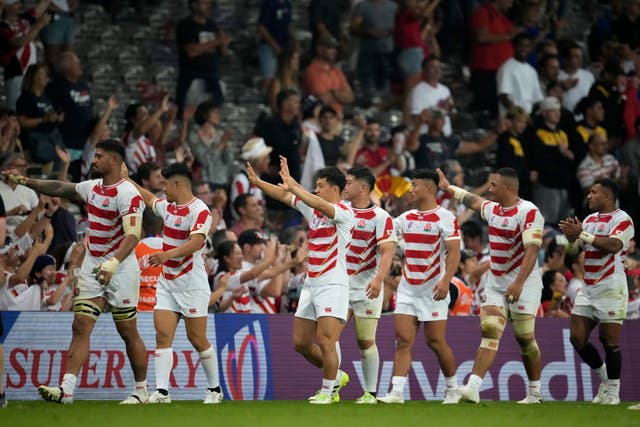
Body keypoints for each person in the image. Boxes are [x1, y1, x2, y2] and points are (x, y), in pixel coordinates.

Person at [5, 139, 148, 404]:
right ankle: (66, 390)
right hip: (94, 264)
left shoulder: (129, 193)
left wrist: (113, 263)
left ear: (114, 162)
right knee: (80, 324)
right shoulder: (91, 187)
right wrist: (25, 181)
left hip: (122, 266)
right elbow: (59, 187)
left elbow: (133, 235)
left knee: (128, 331)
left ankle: (141, 391)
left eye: (100, 156)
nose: (94, 160)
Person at [247, 156, 355, 404]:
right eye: (315, 185)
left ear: (335, 189)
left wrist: (295, 185)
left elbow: (310, 199)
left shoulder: (345, 212)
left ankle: (328, 393)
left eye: (321, 185)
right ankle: (336, 376)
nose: (316, 189)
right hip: (311, 283)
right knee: (301, 343)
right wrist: (259, 182)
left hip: (333, 284)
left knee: (327, 339)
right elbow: (285, 197)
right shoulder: (314, 208)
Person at [437, 167, 545, 404]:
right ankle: (473, 387)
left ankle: (535, 392)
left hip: (524, 284)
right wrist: (448, 189)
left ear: (508, 188)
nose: (490, 189)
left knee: (525, 339)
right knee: (489, 331)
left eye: (494, 185)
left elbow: (532, 250)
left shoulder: (529, 212)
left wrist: (518, 282)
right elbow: (473, 200)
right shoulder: (493, 209)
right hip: (496, 283)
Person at [123, 161, 223, 404]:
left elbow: (197, 242)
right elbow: (148, 198)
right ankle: (162, 392)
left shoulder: (200, 210)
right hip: (167, 283)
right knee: (162, 335)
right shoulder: (168, 207)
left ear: (178, 184)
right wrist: (126, 180)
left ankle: (215, 390)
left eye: (166, 184)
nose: (162, 188)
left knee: (197, 338)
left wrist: (167, 255)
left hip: (192, 284)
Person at [377, 169, 461, 405]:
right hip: (407, 289)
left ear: (430, 189)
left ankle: (453, 389)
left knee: (435, 342)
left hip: (434, 290)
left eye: (414, 185)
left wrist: (446, 280)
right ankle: (397, 393)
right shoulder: (405, 218)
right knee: (403, 340)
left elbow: (454, 253)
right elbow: (383, 235)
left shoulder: (446, 217)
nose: (410, 189)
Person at [559, 178, 635, 406]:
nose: (589, 196)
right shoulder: (590, 220)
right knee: (576, 337)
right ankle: (604, 378)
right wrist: (572, 239)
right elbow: (573, 252)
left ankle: (613, 392)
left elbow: (613, 246)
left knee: (608, 340)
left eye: (594, 192)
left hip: (611, 288)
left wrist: (581, 234)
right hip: (589, 287)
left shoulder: (623, 220)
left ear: (608, 196)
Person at [340, 166, 396, 404]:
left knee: (365, 341)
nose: (345, 186)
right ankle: (331, 386)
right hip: (340, 285)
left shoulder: (381, 217)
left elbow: (387, 251)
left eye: (349, 182)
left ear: (363, 188)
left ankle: (370, 393)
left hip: (367, 287)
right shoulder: (340, 210)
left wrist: (378, 279)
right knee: (328, 336)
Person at [175, 0, 231, 111]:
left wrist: (224, 43)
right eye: (204, 3)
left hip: (212, 73)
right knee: (185, 109)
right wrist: (217, 41)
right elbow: (191, 51)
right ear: (194, 5)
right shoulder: (185, 25)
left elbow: (223, 53)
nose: (208, 6)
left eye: (209, 3)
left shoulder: (211, 24)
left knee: (217, 106)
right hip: (191, 74)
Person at [0, 0, 52, 110]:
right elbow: (19, 42)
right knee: (16, 111)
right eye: (15, 3)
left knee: (32, 109)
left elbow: (44, 3)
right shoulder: (3, 27)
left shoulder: (24, 18)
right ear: (6, 7)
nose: (20, 5)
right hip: (16, 74)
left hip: (31, 73)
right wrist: (39, 25)